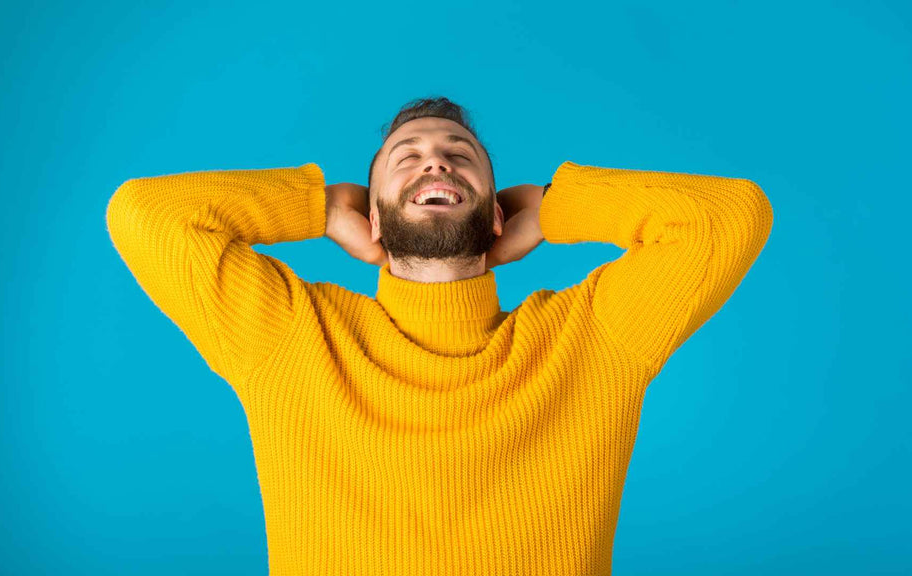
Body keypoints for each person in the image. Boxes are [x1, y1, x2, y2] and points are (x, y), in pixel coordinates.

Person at [105, 96, 773, 575]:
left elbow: (728, 218)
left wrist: (556, 205)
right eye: (408, 157)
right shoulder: (293, 334)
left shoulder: (589, 337)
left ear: (495, 215)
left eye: (461, 156)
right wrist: (316, 205)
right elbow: (144, 214)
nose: (437, 164)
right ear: (370, 215)